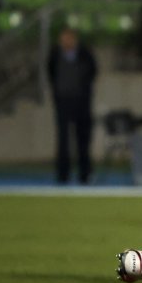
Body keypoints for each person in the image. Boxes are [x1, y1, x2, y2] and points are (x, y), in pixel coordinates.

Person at [47, 27, 97, 185]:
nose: (66, 41)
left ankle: (85, 174)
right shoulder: (55, 54)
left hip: (82, 101)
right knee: (63, 140)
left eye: (69, 38)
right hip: (63, 101)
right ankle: (63, 174)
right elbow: (50, 72)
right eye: (64, 38)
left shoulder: (85, 54)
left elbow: (93, 71)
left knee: (83, 139)